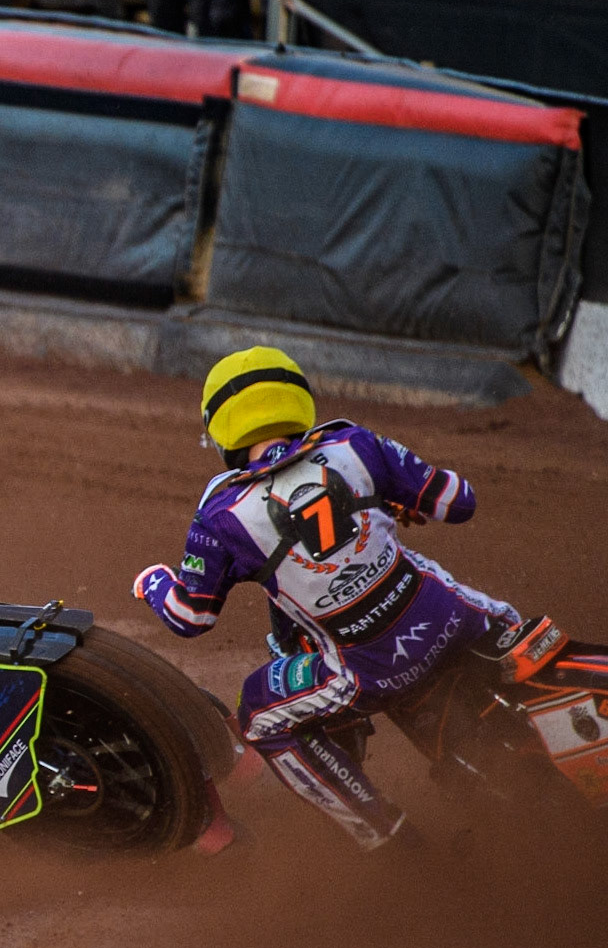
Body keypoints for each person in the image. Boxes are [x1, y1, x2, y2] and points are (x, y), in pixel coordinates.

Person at [132, 347, 519, 850]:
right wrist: (391, 495)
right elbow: (457, 501)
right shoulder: (354, 442)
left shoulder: (222, 513)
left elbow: (190, 617)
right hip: (461, 620)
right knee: (473, 606)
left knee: (257, 711)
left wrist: (153, 582)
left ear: (222, 428)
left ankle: (384, 834)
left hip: (371, 668)